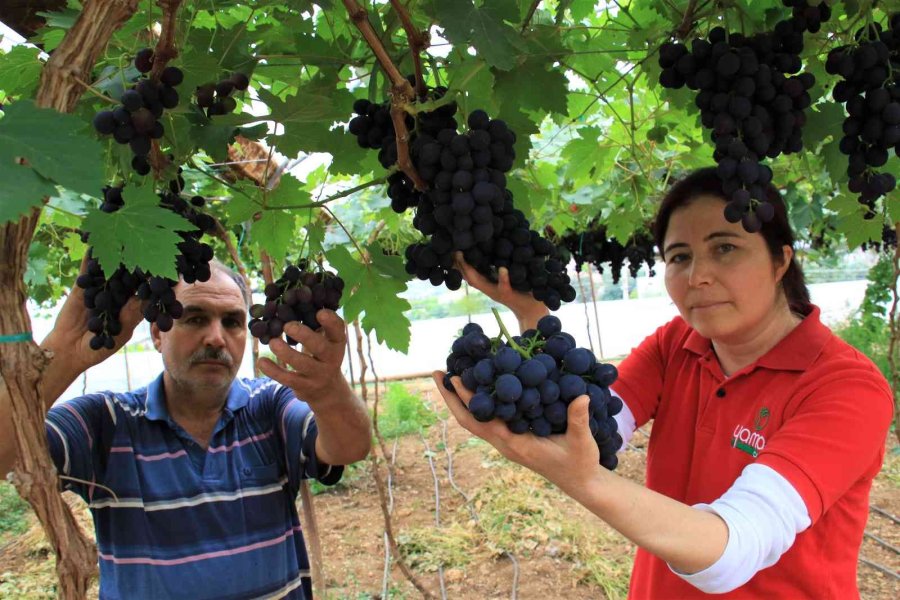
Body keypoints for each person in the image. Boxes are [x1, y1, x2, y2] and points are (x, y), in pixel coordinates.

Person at [434, 167, 893, 598]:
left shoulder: (846, 389)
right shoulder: (678, 344)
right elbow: (588, 427)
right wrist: (530, 312)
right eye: (679, 257)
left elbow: (733, 549)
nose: (698, 276)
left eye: (725, 247)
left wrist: (585, 481)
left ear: (780, 261)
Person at [0, 259, 371, 600]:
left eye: (232, 321)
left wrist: (329, 390)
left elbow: (350, 446)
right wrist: (62, 356)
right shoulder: (106, 422)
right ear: (158, 335)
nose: (215, 337)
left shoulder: (269, 408)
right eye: (194, 318)